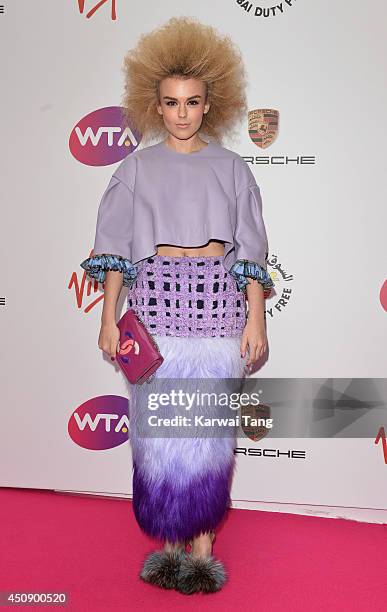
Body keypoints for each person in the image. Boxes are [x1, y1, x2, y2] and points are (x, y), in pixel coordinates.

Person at [80, 16, 274, 595]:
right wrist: (109, 318)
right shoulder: (135, 168)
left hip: (216, 319)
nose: (182, 113)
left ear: (210, 103)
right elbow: (115, 252)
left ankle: (202, 552)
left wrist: (256, 316)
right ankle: (166, 547)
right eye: (171, 102)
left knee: (207, 437)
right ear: (154, 105)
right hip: (156, 320)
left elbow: (252, 253)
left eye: (192, 101)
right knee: (160, 438)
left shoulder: (233, 168)